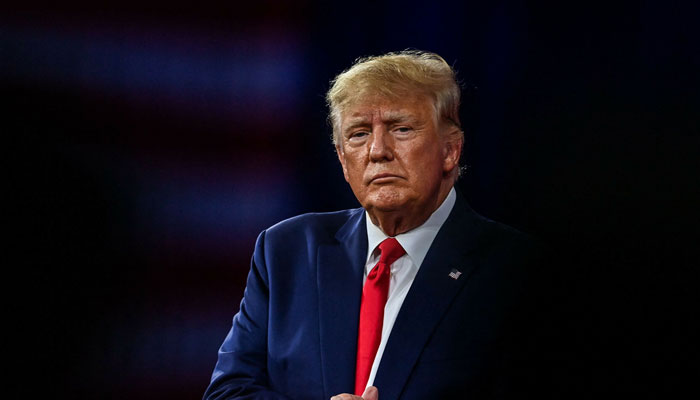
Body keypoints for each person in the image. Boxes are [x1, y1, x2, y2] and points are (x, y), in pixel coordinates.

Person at [204, 50, 549, 400]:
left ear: (450, 151)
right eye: (358, 134)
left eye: (401, 129)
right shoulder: (286, 252)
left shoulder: (516, 270)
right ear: (341, 159)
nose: (377, 150)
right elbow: (226, 392)